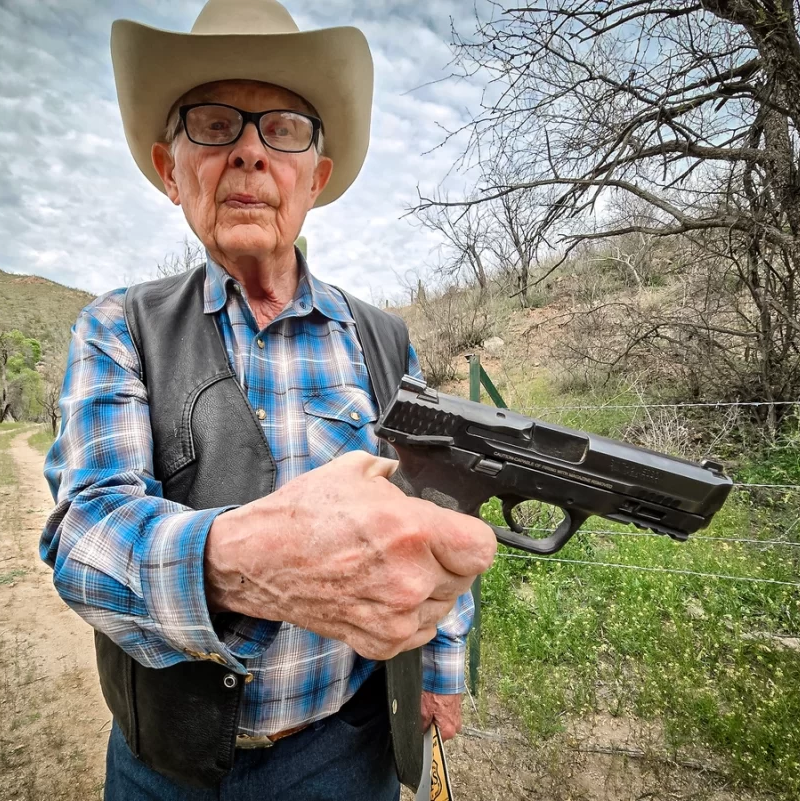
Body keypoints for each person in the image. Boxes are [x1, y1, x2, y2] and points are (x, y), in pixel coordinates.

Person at [40, 1, 496, 798]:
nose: (249, 151)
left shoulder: (384, 341)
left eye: (283, 129)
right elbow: (85, 536)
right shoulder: (118, 327)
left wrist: (442, 665)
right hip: (165, 767)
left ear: (314, 178)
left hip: (345, 752)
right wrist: (244, 563)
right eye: (214, 124)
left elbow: (437, 521)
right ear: (168, 167)